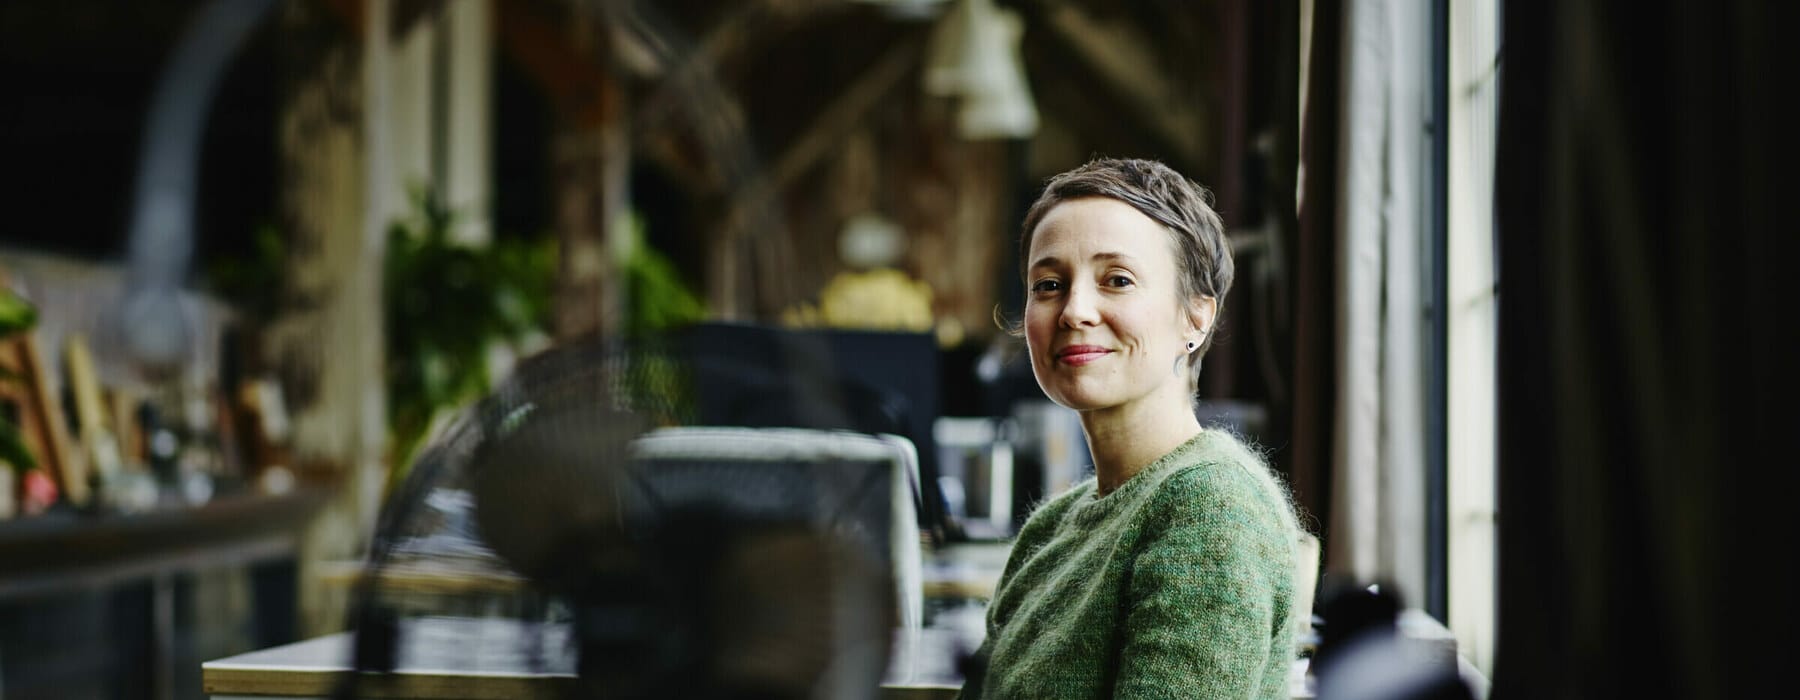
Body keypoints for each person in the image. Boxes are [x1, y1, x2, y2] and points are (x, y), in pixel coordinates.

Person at [960, 158, 1302, 699]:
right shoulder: (1049, 529)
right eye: (1048, 285)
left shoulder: (1211, 507)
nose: (1074, 311)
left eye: (1117, 280)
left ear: (1196, 317)